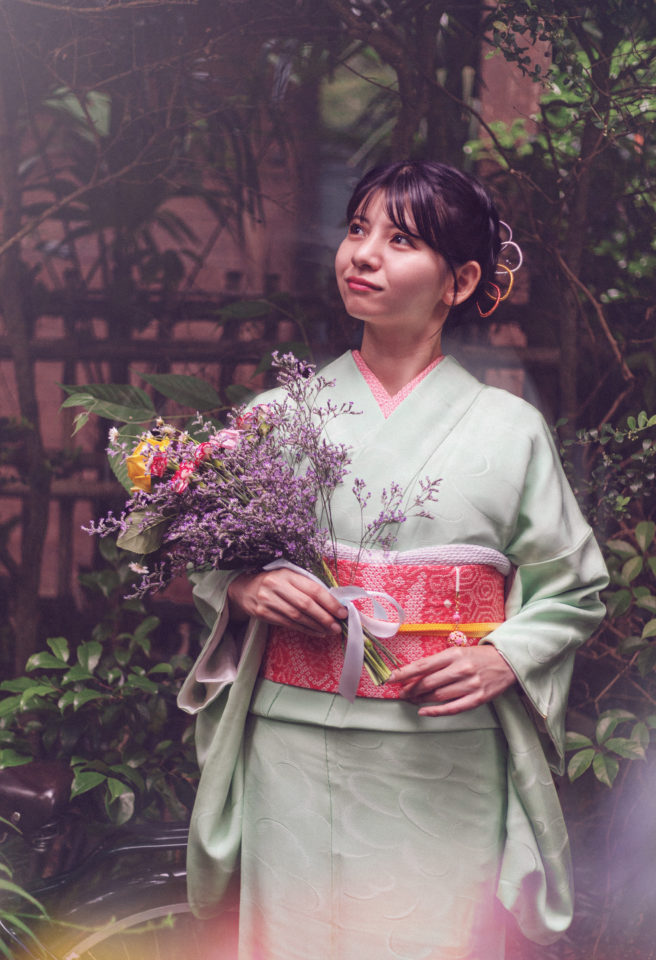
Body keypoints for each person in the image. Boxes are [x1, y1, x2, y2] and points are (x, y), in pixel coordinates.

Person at [177, 160, 608, 960]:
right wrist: (243, 586)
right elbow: (209, 557)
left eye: (400, 239)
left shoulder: (510, 429)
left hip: (441, 750)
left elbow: (573, 589)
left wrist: (503, 657)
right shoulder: (279, 416)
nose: (363, 254)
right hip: (293, 744)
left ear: (460, 281)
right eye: (357, 229)